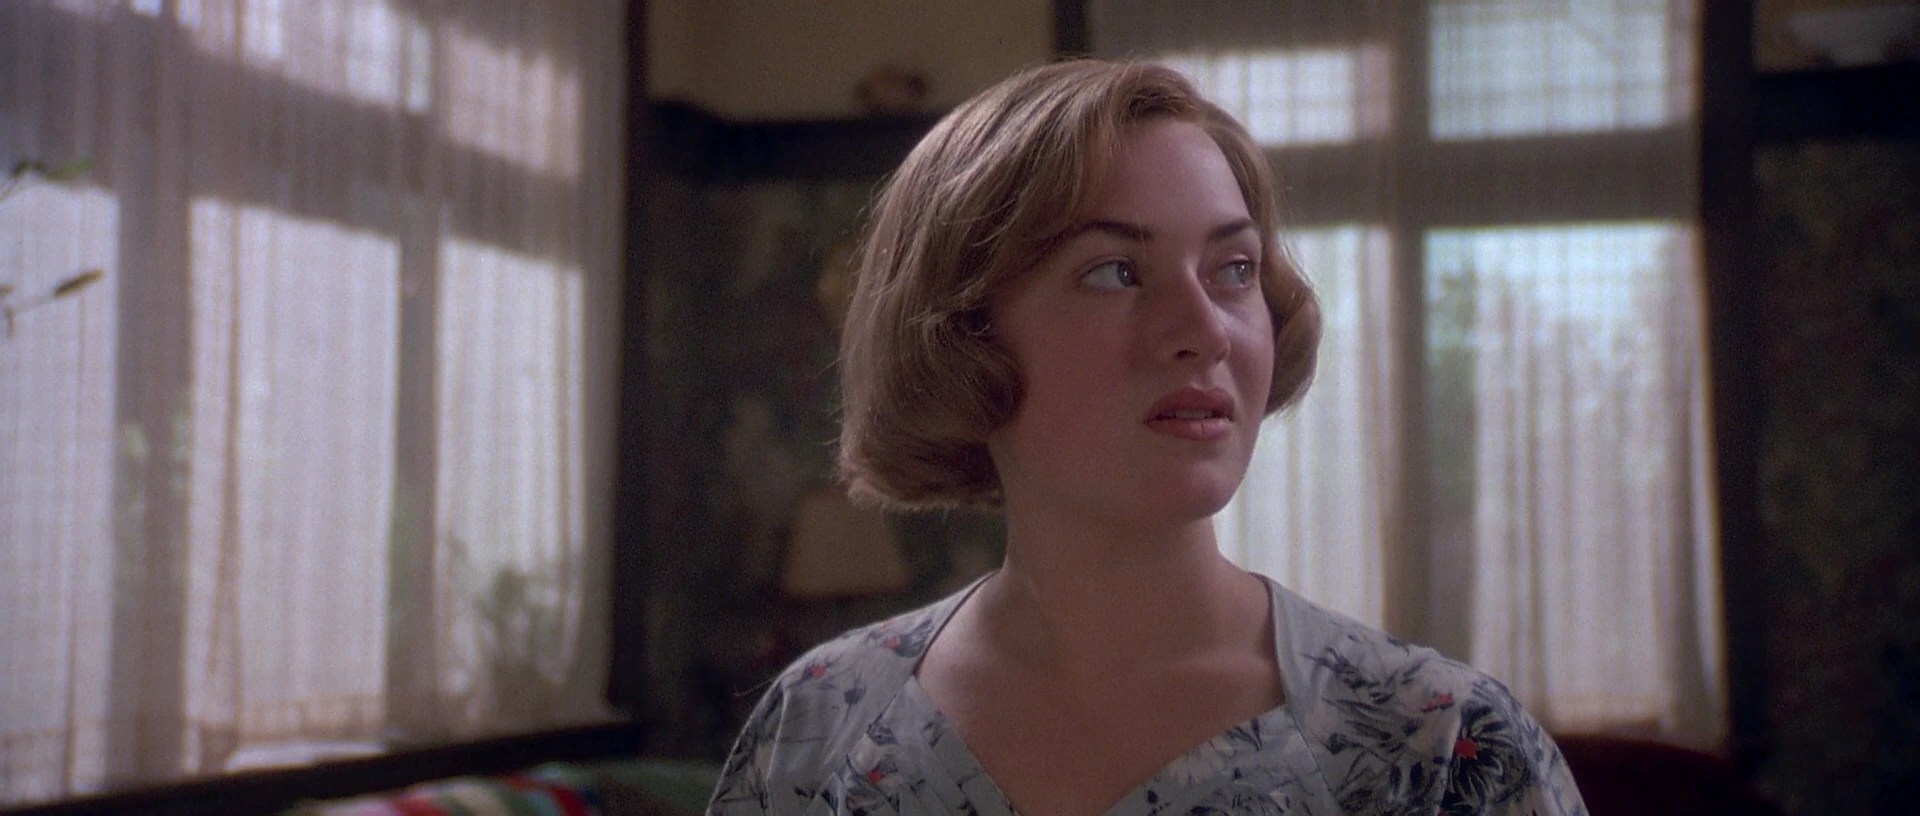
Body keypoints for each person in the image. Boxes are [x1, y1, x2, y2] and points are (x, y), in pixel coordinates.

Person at [709, 59, 1587, 816]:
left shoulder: (1440, 748)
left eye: (1234, 269)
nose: (1204, 330)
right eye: (1115, 271)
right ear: (964, 336)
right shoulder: (819, 727)